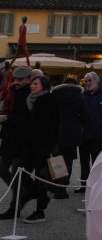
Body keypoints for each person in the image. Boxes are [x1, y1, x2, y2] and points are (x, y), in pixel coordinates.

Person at [0, 71, 59, 223]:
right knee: (22, 174)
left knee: (40, 177)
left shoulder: (48, 100)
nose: (32, 86)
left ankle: (39, 211)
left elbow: (52, 124)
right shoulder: (29, 99)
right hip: (28, 144)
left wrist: (51, 144)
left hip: (42, 145)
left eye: (35, 84)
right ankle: (31, 196)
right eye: (32, 83)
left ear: (43, 86)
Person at [51, 75, 87, 198]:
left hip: (57, 131)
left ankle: (57, 187)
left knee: (57, 160)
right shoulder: (79, 97)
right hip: (72, 132)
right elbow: (84, 115)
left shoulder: (55, 95)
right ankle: (64, 188)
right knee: (68, 160)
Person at [77, 71, 102, 191]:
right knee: (83, 161)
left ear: (96, 81)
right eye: (85, 81)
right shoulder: (83, 95)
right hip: (84, 134)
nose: (87, 83)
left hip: (97, 134)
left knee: (96, 161)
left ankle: (96, 185)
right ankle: (83, 185)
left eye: (89, 80)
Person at [0, 64, 34, 190]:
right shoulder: (11, 91)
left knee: (16, 173)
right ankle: (23, 193)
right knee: (2, 169)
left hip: (22, 139)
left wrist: (7, 118)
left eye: (21, 79)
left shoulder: (30, 94)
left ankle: (17, 203)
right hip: (9, 137)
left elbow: (28, 119)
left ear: (28, 79)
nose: (17, 82)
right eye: (15, 79)